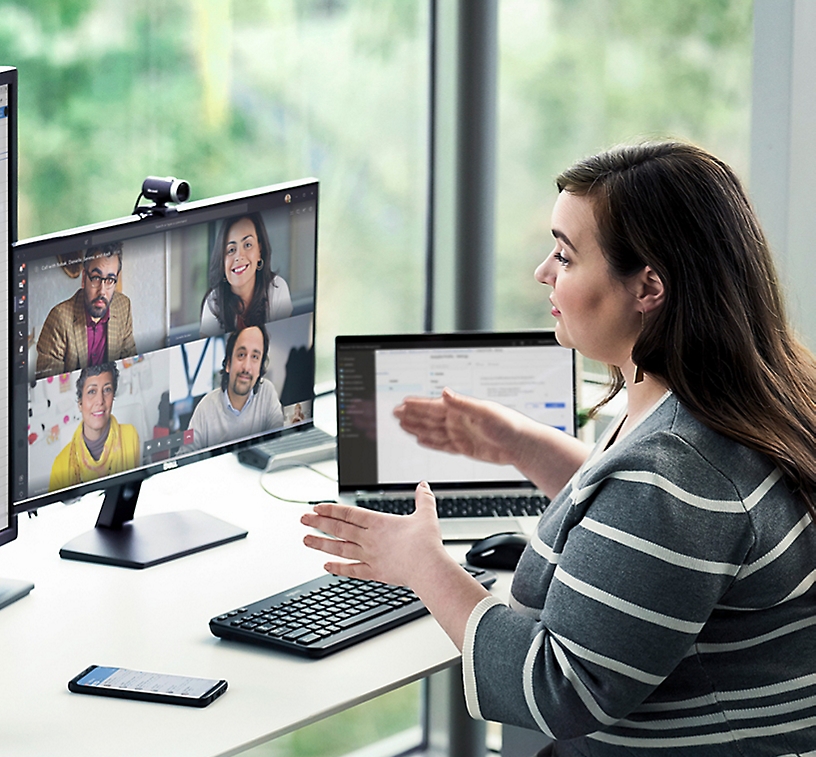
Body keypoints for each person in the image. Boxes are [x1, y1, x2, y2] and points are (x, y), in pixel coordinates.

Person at [301, 142, 816, 755]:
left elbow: (558, 688)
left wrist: (422, 567)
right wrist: (525, 446)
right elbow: (670, 544)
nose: (544, 272)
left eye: (566, 256)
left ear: (648, 286)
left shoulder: (676, 473)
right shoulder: (748, 399)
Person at [35, 243, 136, 379]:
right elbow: (51, 382)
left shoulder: (124, 306)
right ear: (84, 279)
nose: (102, 291)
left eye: (110, 280)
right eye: (95, 278)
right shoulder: (59, 319)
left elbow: (129, 364)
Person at [184, 324, 284, 451]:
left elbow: (279, 441)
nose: (246, 368)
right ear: (228, 364)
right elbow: (185, 455)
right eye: (241, 355)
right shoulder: (205, 407)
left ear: (259, 369)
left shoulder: (267, 394)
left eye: (255, 357)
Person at [49, 361, 141, 492]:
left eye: (107, 390)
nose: (100, 401)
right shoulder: (60, 464)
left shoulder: (129, 435)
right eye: (92, 391)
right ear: (80, 403)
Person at [200, 212, 292, 337]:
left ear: (260, 251)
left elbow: (286, 343)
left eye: (248, 245)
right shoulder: (213, 302)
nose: (239, 257)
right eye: (231, 250)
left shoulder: (277, 289)